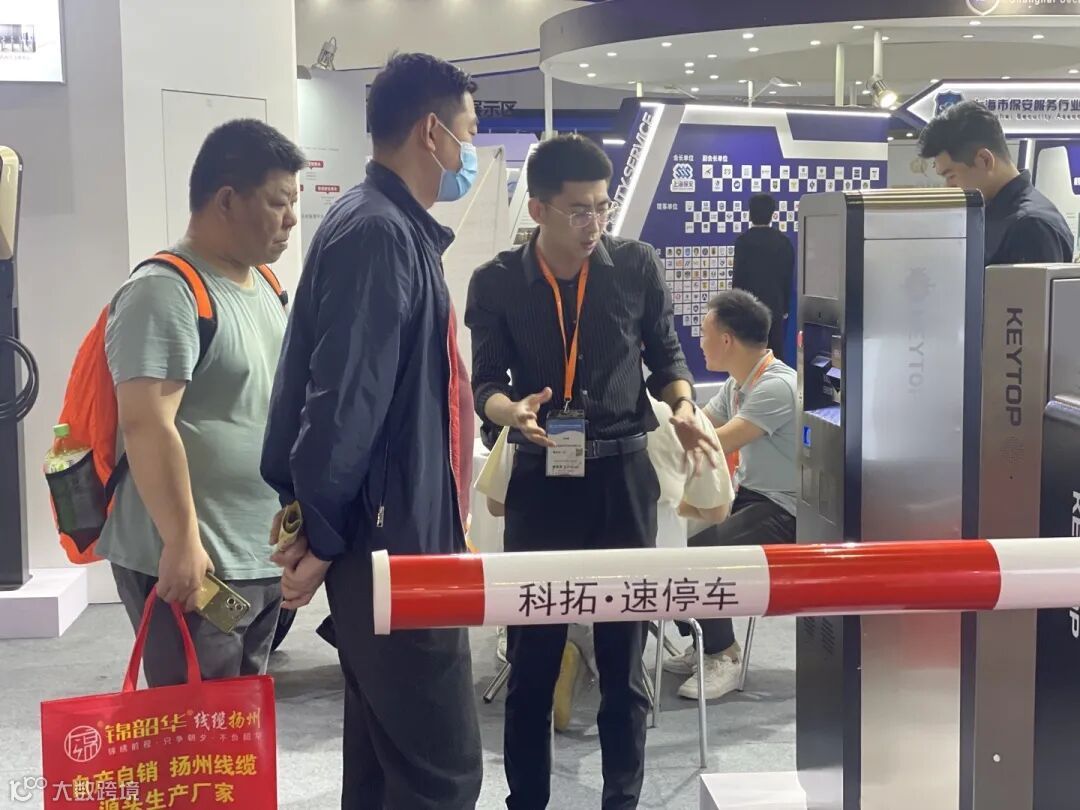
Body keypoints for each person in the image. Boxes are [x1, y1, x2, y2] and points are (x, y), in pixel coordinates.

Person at [466, 133, 720, 810]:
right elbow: (485, 381)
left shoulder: (634, 265)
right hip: (542, 481)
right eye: (579, 210)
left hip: (622, 479)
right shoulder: (496, 281)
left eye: (602, 207)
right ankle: (527, 801)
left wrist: (684, 406)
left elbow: (666, 355)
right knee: (533, 661)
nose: (594, 223)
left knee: (624, 663)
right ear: (539, 208)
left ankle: (621, 801)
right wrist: (509, 410)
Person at [260, 53, 482, 810]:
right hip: (393, 548)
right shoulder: (379, 234)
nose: (470, 152)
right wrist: (321, 535)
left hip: (398, 536)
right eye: (468, 133)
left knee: (386, 769)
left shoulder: (384, 226)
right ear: (431, 132)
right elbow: (343, 403)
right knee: (438, 775)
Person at [99, 119, 305, 686]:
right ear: (227, 200)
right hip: (197, 564)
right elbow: (146, 424)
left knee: (238, 717)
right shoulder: (165, 291)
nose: (291, 218)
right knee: (193, 716)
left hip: (255, 557)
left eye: (294, 203)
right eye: (278, 202)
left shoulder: (266, 286)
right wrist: (182, 542)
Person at [665, 290, 797, 701]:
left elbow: (713, 442)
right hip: (749, 497)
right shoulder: (738, 383)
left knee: (700, 557)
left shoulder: (777, 386)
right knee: (669, 543)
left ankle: (724, 654)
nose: (699, 342)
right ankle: (703, 641)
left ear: (726, 340)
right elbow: (698, 425)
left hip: (785, 511)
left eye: (704, 333)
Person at [918, 100, 1074, 265]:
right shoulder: (994, 214)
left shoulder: (1030, 226)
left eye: (951, 176)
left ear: (984, 160)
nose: (948, 187)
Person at [733, 193, 795, 361]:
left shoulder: (743, 242)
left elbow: (738, 278)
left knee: (748, 352)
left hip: (748, 307)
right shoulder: (783, 242)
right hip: (775, 306)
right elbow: (787, 277)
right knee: (774, 354)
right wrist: (785, 307)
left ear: (750, 214)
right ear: (772, 214)